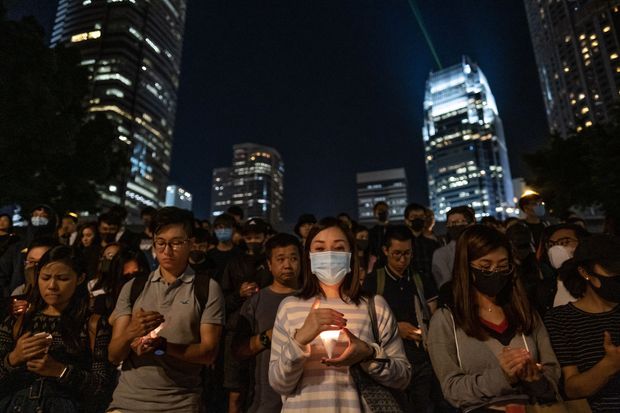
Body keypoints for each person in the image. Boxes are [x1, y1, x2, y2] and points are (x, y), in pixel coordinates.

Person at [268, 217, 411, 412]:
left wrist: (368, 354)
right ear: (308, 256)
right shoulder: (290, 306)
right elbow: (279, 383)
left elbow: (403, 376)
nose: (328, 255)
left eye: (338, 248)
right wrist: (300, 339)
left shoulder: (374, 306)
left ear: (351, 256)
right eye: (319, 249)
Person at [427, 225, 560, 411]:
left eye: (502, 266)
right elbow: (452, 389)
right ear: (466, 267)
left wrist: (536, 378)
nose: (495, 272)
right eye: (485, 266)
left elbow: (552, 371)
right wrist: (502, 377)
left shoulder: (525, 312)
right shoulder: (445, 321)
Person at [107, 207, 225, 413]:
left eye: (176, 243)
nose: (167, 251)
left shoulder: (206, 288)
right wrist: (131, 332)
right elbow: (114, 356)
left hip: (179, 403)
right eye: (161, 243)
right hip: (127, 402)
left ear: (190, 244)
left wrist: (162, 346)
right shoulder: (134, 287)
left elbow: (208, 353)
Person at [0, 245, 115, 412]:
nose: (52, 286)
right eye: (45, 278)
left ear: (80, 278)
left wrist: (61, 371)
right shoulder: (18, 319)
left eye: (62, 278)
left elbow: (102, 387)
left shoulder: (92, 323)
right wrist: (13, 358)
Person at [364, 224, 439, 412]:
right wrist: (397, 328)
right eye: (397, 253)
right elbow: (365, 321)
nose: (402, 259)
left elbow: (434, 314)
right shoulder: (374, 281)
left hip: (421, 359)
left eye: (407, 253)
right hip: (389, 361)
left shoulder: (421, 279)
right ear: (385, 250)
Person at [544, 234, 620, 413]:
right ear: (585, 272)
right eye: (611, 271)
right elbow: (571, 388)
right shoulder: (561, 319)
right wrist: (610, 364)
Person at [232, 233, 302, 413]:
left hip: (304, 398)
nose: (287, 265)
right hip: (264, 402)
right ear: (269, 265)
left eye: (293, 258)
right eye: (280, 259)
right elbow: (238, 350)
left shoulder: (311, 299)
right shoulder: (256, 302)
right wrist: (270, 336)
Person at [221, 218, 272, 413]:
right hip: (237, 330)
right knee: (236, 391)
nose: (253, 240)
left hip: (266, 328)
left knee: (266, 387)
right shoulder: (234, 263)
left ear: (265, 237)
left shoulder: (271, 262)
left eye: (257, 236)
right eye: (249, 237)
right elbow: (222, 300)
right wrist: (238, 294)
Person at [538, 224, 589, 311]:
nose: (555, 249)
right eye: (551, 245)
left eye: (564, 242)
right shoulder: (544, 289)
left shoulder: (595, 282)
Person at [432, 206, 476, 291]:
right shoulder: (442, 254)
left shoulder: (481, 247)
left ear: (471, 223)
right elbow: (445, 283)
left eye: (459, 222)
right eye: (451, 223)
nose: (454, 226)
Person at [404, 203, 441, 291]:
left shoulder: (432, 244)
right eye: (414, 216)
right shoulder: (403, 243)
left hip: (431, 288)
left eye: (421, 216)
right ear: (407, 220)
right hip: (409, 288)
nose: (418, 219)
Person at [206, 213, 239, 283]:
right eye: (220, 227)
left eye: (227, 227)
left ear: (234, 229)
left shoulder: (240, 254)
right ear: (215, 230)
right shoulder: (209, 255)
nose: (223, 230)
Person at [368, 201, 391, 268]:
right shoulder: (371, 232)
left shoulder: (395, 230)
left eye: (385, 210)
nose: (383, 212)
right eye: (380, 210)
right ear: (375, 213)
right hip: (377, 265)